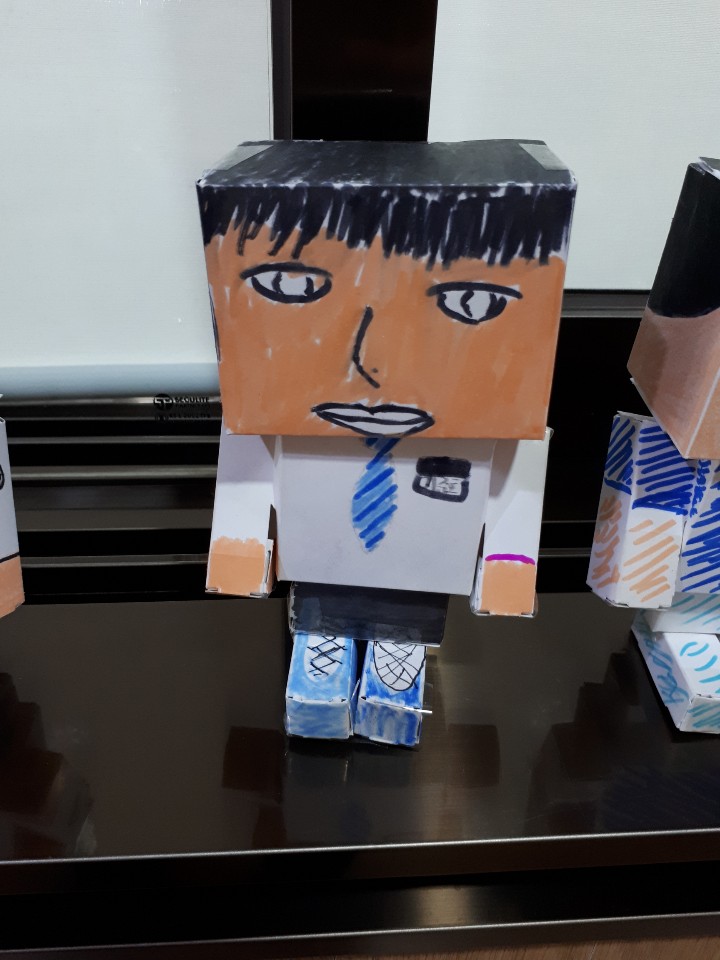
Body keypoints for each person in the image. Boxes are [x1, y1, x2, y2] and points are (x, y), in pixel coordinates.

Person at [198, 139, 575, 744]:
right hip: (319, 569)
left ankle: (394, 666)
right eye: (291, 286)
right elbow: (245, 467)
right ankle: (324, 660)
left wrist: (509, 568)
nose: (372, 366)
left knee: (404, 631)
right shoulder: (267, 420)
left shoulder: (495, 428)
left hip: (423, 570)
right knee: (321, 619)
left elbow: (514, 483)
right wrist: (237, 551)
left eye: (470, 301)